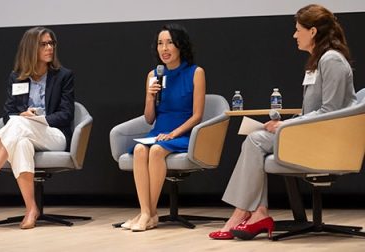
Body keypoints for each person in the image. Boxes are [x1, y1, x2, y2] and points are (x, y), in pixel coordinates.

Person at [209, 4, 357, 240]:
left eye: (298, 30)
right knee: (256, 138)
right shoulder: (318, 61)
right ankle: (257, 212)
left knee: (256, 140)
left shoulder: (331, 60)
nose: (294, 35)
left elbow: (331, 111)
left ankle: (245, 214)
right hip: (314, 133)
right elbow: (315, 111)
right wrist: (285, 122)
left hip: (329, 141)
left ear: (313, 32)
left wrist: (286, 126)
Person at [0, 27, 75, 229]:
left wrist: (37, 118)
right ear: (31, 48)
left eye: (51, 43)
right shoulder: (17, 77)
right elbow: (8, 114)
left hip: (54, 134)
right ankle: (31, 209)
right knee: (21, 142)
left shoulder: (63, 76)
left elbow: (67, 115)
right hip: (24, 133)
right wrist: (23, 117)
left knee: (18, 123)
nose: (50, 48)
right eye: (44, 44)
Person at [121, 23, 206, 232]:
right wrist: (150, 96)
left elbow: (197, 115)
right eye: (160, 43)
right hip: (158, 132)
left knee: (157, 150)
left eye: (169, 43)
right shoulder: (153, 75)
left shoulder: (196, 73)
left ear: (180, 46)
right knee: (141, 149)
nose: (164, 48)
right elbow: (149, 118)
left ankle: (147, 214)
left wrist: (174, 134)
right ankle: (147, 213)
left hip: (183, 133)